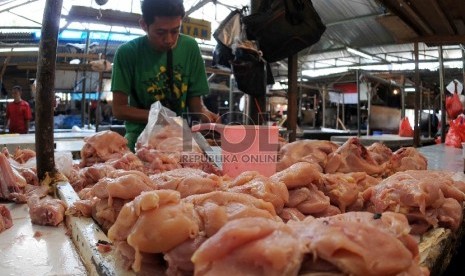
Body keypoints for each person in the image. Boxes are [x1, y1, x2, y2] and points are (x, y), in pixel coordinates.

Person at [111, 0, 219, 151]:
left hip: (179, 140)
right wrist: (162, 118)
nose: (169, 39)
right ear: (144, 25)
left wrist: (206, 114)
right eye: (160, 32)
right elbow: (119, 109)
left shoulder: (190, 48)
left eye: (175, 31)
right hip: (139, 142)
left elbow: (196, 104)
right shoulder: (128, 53)